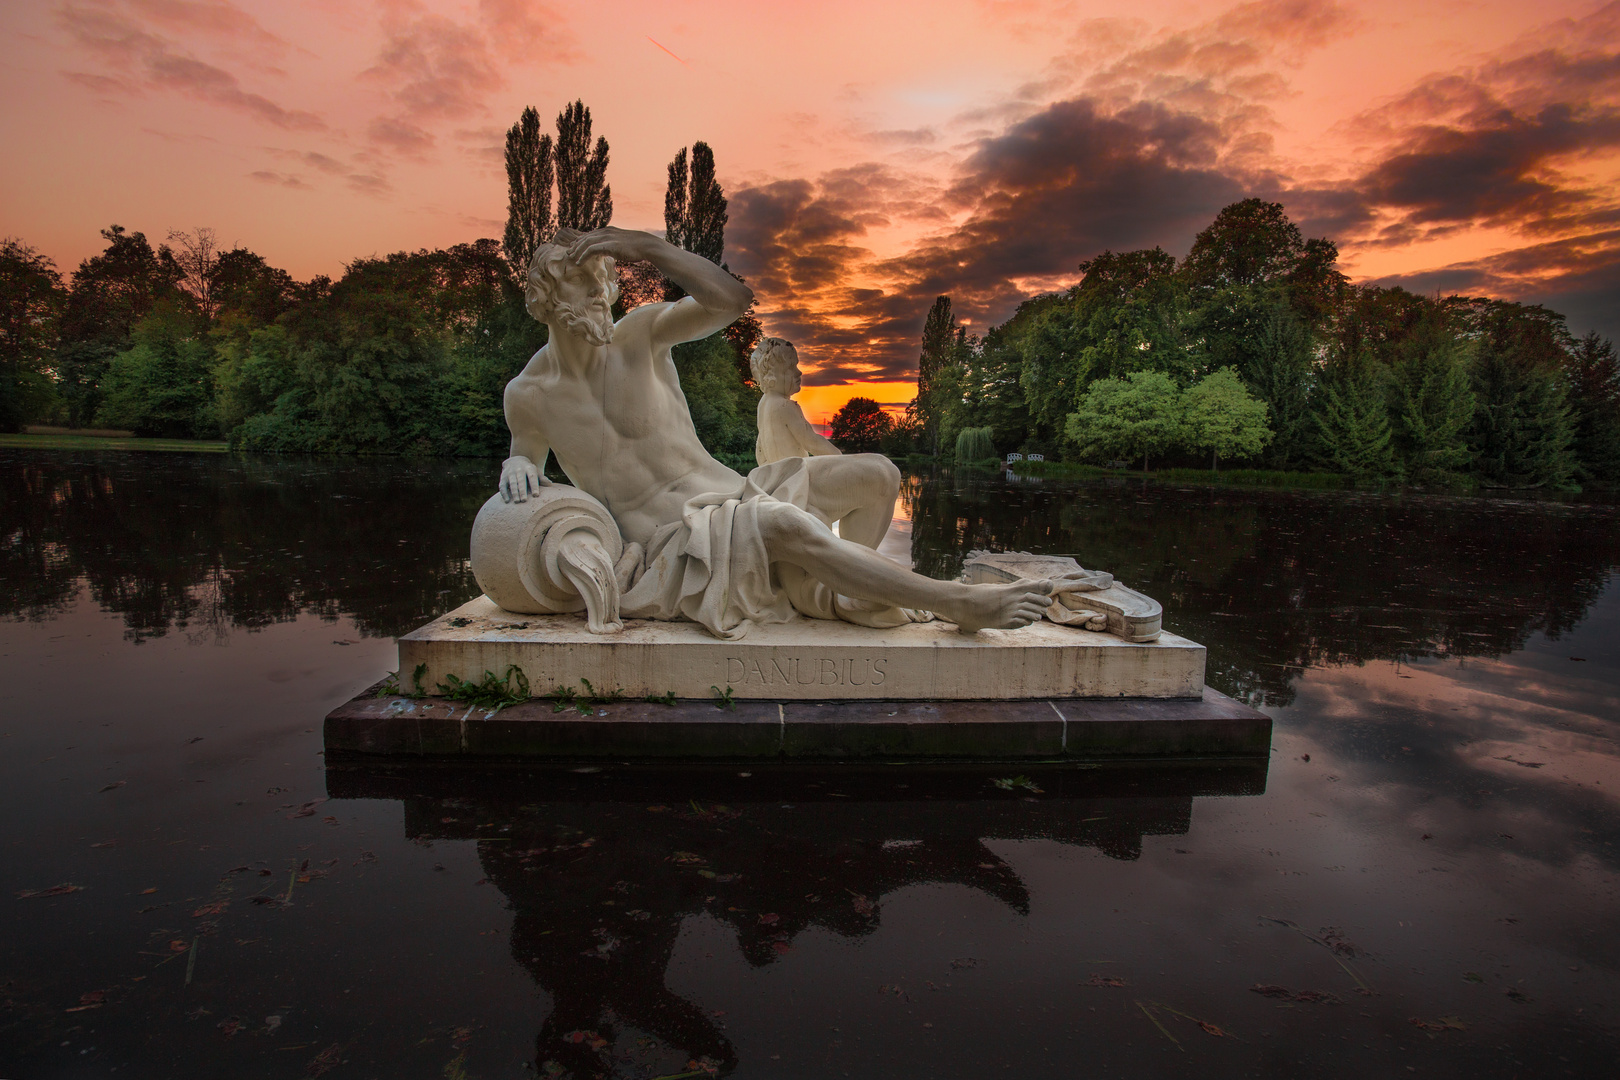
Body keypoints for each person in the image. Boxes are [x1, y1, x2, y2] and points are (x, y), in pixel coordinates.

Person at [497, 226, 1053, 639]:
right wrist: (518, 465)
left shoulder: (639, 334)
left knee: (878, 473)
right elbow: (527, 462)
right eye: (579, 279)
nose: (598, 291)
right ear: (543, 297)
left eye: (601, 277)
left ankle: (837, 588)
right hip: (677, 537)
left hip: (739, 491)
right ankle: (960, 602)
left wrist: (645, 247)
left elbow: (731, 302)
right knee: (783, 522)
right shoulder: (529, 395)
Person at [750, 337, 842, 466]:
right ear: (771, 376)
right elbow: (811, 441)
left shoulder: (763, 404)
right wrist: (840, 458)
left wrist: (766, 471)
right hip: (795, 474)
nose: (799, 372)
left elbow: (760, 447)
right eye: (790, 368)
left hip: (778, 473)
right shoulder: (785, 406)